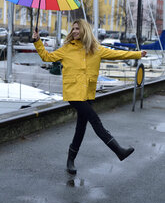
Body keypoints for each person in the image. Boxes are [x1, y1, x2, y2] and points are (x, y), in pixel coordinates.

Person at [32, 19, 147, 175]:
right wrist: (37, 41)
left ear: (84, 30)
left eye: (77, 29)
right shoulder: (67, 49)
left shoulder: (96, 49)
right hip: (73, 93)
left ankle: (70, 161)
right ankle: (118, 150)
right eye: (73, 29)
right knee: (95, 121)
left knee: (81, 128)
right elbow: (46, 57)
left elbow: (117, 54)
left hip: (88, 93)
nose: (74, 32)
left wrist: (138, 54)